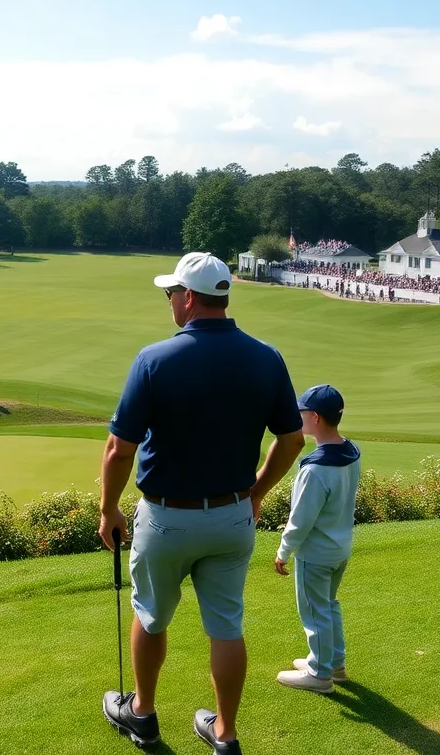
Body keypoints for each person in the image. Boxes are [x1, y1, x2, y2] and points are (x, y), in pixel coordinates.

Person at [99, 252, 305, 754]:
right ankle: (225, 735)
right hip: (233, 517)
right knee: (226, 627)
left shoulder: (154, 359)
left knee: (151, 615)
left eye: (171, 293)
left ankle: (142, 714)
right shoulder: (267, 357)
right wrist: (256, 492)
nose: (169, 300)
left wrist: (108, 510)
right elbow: (293, 440)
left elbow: (119, 450)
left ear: (188, 297)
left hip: (166, 519)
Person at [273, 385, 360, 694]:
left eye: (302, 412)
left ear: (316, 417)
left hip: (317, 552)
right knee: (329, 604)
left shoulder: (315, 469)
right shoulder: (351, 451)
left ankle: (320, 674)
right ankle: (334, 664)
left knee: (315, 610)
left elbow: (301, 519)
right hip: (340, 547)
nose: (298, 416)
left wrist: (284, 550)